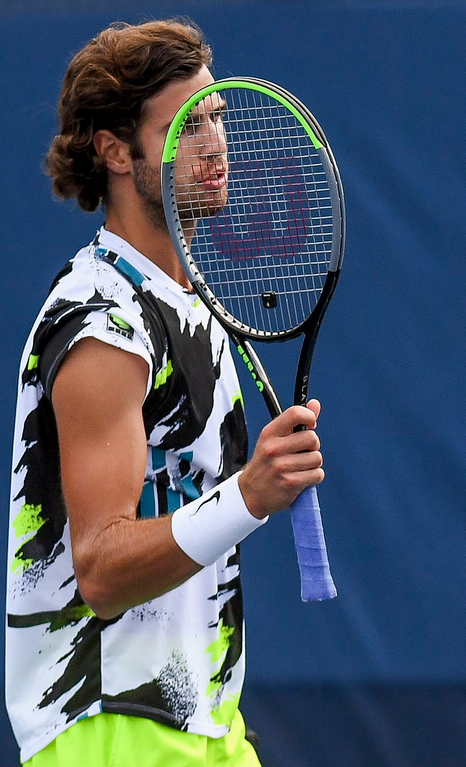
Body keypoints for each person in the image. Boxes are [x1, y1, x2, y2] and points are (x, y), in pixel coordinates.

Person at [6, 18, 324, 767]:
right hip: (110, 728)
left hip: (206, 726)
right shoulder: (104, 323)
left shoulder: (191, 303)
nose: (215, 144)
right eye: (185, 125)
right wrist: (250, 493)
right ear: (116, 151)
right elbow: (103, 570)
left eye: (216, 116)